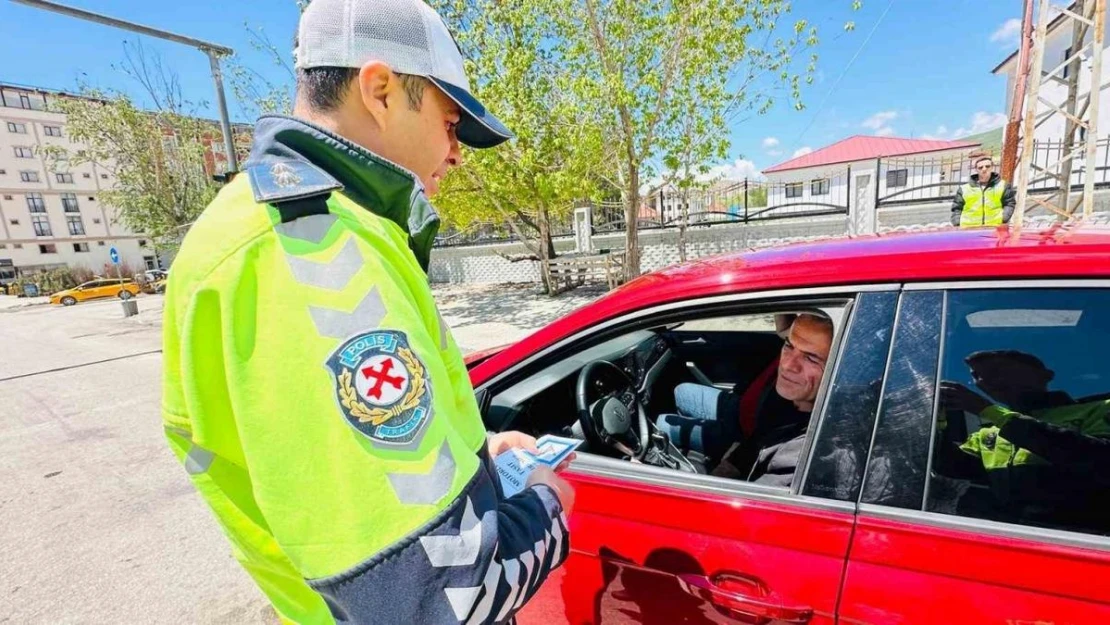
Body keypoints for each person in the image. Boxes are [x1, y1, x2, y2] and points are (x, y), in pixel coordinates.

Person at [161, 1, 574, 623]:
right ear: (380, 89)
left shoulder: (289, 224)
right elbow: (444, 596)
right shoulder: (309, 251)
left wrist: (477, 455)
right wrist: (548, 503)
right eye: (451, 122)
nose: (457, 152)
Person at [941, 350, 1110, 530]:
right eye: (976, 376)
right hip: (1003, 537)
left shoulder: (1099, 409)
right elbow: (952, 469)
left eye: (997, 370)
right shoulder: (989, 433)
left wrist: (990, 412)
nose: (984, 380)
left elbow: (1101, 460)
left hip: (1084, 541)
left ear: (1046, 375)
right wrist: (937, 422)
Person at [655, 314, 833, 484]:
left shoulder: (799, 451)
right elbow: (787, 329)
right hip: (740, 413)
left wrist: (725, 467)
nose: (786, 365)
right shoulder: (798, 396)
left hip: (739, 436)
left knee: (660, 424)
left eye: (810, 358)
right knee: (682, 390)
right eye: (788, 346)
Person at [950, 155, 1016, 228]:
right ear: (976, 169)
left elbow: (1009, 203)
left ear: (992, 167)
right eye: (980, 167)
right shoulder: (964, 188)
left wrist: (1004, 218)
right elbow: (957, 208)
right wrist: (957, 223)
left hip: (994, 228)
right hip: (968, 229)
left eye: (987, 166)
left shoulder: (1003, 185)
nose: (984, 169)